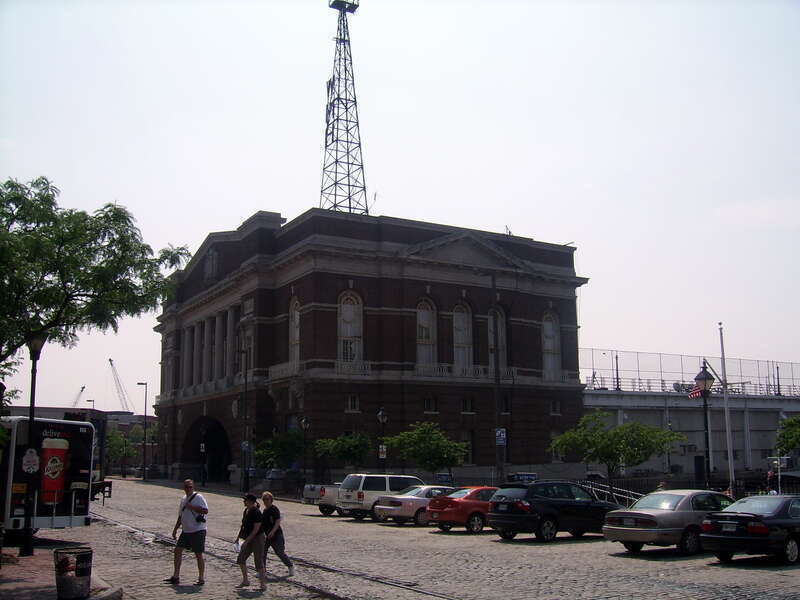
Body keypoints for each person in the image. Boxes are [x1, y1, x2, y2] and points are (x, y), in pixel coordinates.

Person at [165, 479, 208, 586]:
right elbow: (180, 515)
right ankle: (176, 576)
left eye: (190, 487)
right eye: (186, 487)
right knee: (177, 551)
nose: (188, 489)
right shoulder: (183, 498)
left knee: (198, 554)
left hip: (198, 530)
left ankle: (201, 578)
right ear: (183, 488)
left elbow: (205, 510)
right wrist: (175, 529)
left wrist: (192, 507)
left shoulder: (198, 497)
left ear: (193, 487)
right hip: (186, 531)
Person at [236, 494, 267, 590]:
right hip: (248, 537)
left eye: (245, 500)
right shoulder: (246, 511)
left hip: (258, 538)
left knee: (258, 561)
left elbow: (256, 529)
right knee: (241, 559)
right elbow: (243, 526)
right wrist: (238, 538)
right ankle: (245, 580)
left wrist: (247, 541)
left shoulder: (257, 512)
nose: (244, 502)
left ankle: (263, 584)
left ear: (250, 501)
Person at [261, 491, 294, 577]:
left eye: (267, 499)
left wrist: (272, 532)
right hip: (267, 536)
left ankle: (290, 566)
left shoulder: (274, 509)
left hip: (276, 535)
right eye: (264, 499)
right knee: (262, 553)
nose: (265, 501)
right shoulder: (264, 511)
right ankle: (262, 571)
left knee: (280, 552)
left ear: (271, 500)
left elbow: (277, 522)